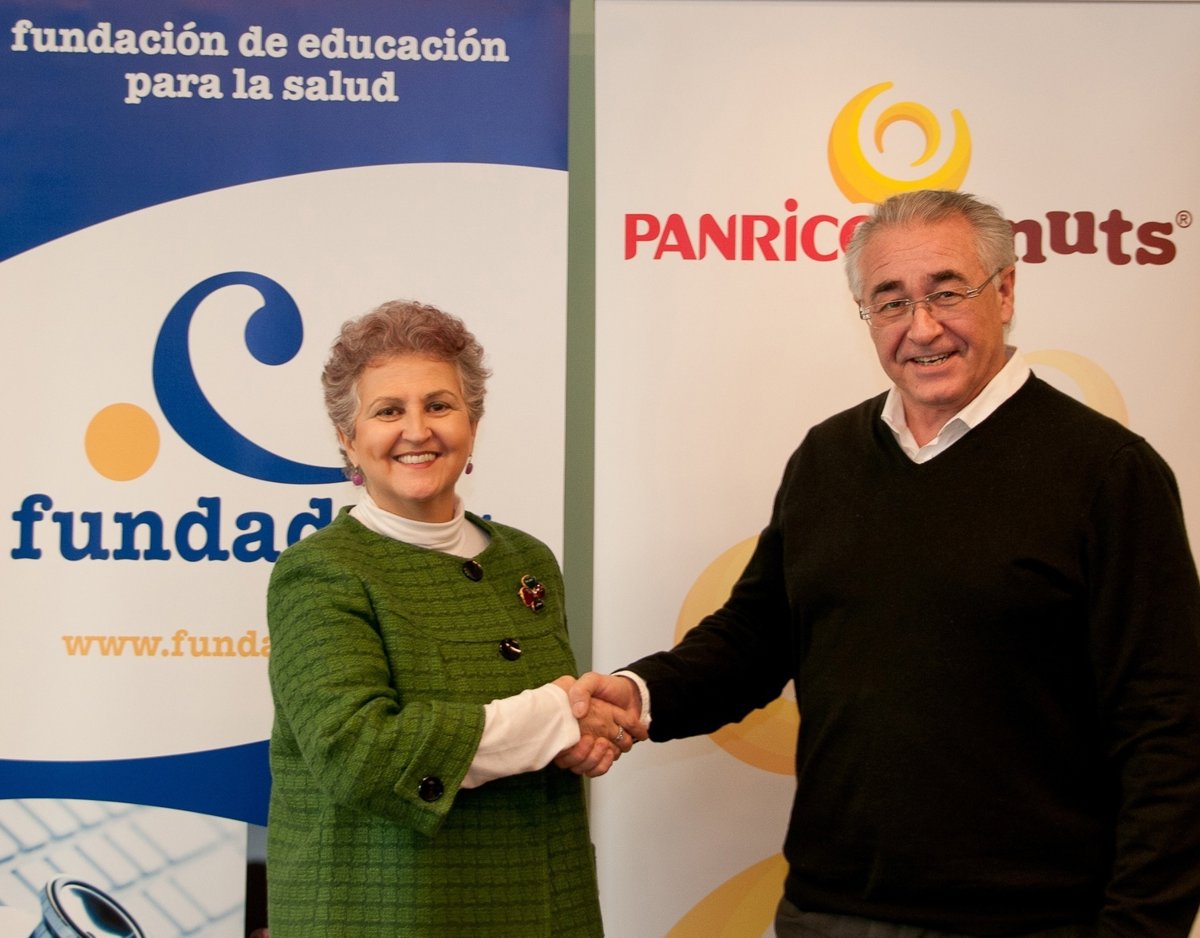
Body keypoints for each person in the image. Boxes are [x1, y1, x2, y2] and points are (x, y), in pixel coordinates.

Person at [566, 190, 1200, 936]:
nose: (921, 328)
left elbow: (1168, 729)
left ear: (1005, 292)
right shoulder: (827, 457)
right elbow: (756, 637)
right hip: (828, 912)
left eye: (947, 293)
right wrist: (639, 695)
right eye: (891, 302)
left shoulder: (1108, 473)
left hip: (1034, 921)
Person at [266, 300, 635, 937]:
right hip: (389, 915)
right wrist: (555, 718)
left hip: (543, 906)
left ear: (472, 423)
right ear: (348, 438)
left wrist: (578, 737)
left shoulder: (527, 561)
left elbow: (551, 727)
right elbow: (356, 752)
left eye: (439, 405)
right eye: (388, 411)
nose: (418, 431)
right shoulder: (318, 572)